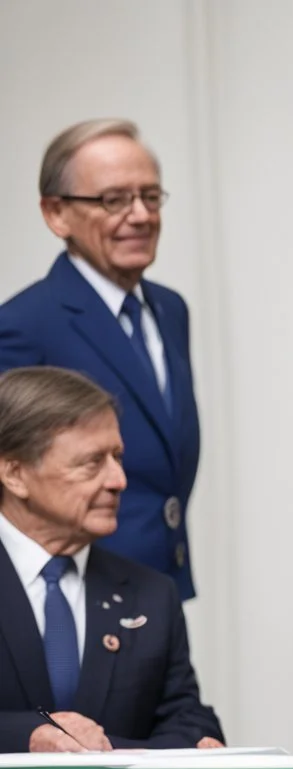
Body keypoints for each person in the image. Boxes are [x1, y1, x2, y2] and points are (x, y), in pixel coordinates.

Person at [0, 119, 200, 601]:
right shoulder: (24, 325)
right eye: (114, 200)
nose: (140, 216)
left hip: (161, 584)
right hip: (74, 595)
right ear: (56, 214)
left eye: (150, 197)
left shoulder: (170, 309)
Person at [0, 367, 221, 752]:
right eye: (91, 462)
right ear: (15, 473)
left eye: (117, 457)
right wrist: (28, 738)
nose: (118, 480)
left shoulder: (150, 594)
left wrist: (193, 746)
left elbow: (188, 718)